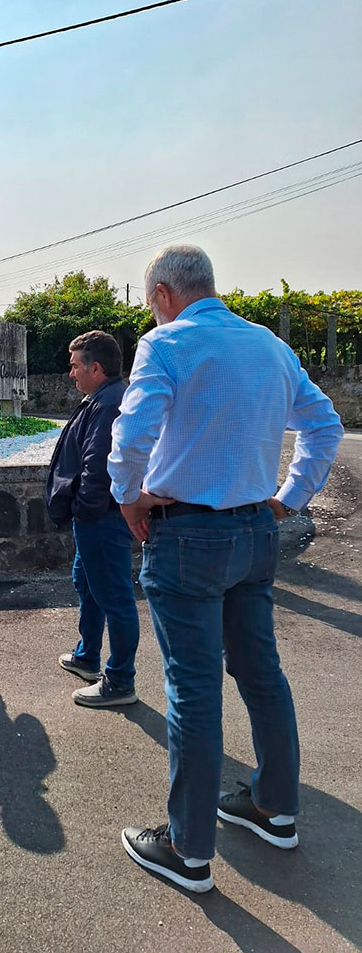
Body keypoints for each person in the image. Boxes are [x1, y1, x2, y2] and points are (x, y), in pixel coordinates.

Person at [108, 244, 343, 893]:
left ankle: (188, 851)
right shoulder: (268, 345)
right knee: (261, 672)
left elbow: (130, 437)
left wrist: (127, 496)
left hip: (187, 537)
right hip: (255, 531)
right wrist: (289, 498)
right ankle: (276, 806)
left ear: (161, 294)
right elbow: (324, 426)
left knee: (193, 688)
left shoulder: (167, 345)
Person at [45, 331, 140, 707]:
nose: (71, 374)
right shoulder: (104, 398)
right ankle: (87, 657)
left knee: (114, 596)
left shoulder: (108, 403)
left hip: (101, 520)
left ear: (95, 368)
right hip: (97, 518)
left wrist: (83, 511)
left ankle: (120, 681)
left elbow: (98, 468)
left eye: (74, 366)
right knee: (88, 584)